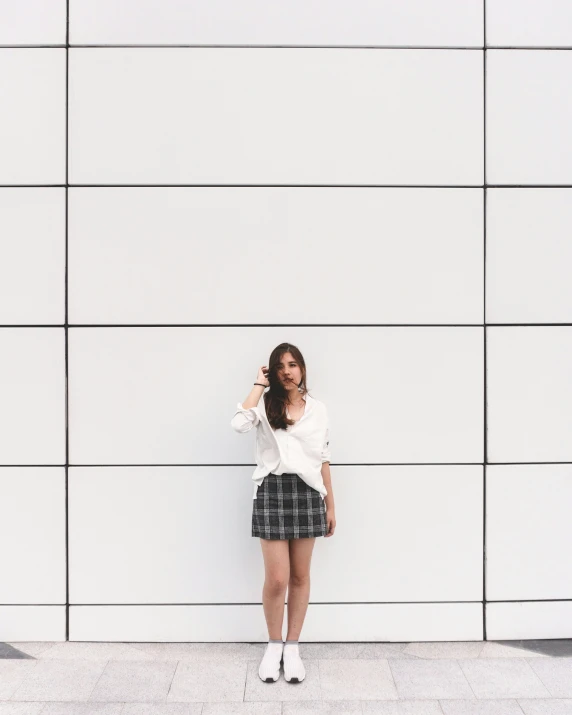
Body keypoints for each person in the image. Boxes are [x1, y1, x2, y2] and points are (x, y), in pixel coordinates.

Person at [230, 342, 336, 684]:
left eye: (293, 364)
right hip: (272, 491)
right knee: (277, 579)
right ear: (273, 373)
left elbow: (323, 457)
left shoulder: (318, 409)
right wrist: (258, 386)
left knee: (300, 577)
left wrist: (330, 503)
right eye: (280, 366)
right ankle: (273, 644)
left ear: (302, 369)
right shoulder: (264, 404)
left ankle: (292, 648)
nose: (287, 371)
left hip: (307, 493)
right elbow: (238, 423)